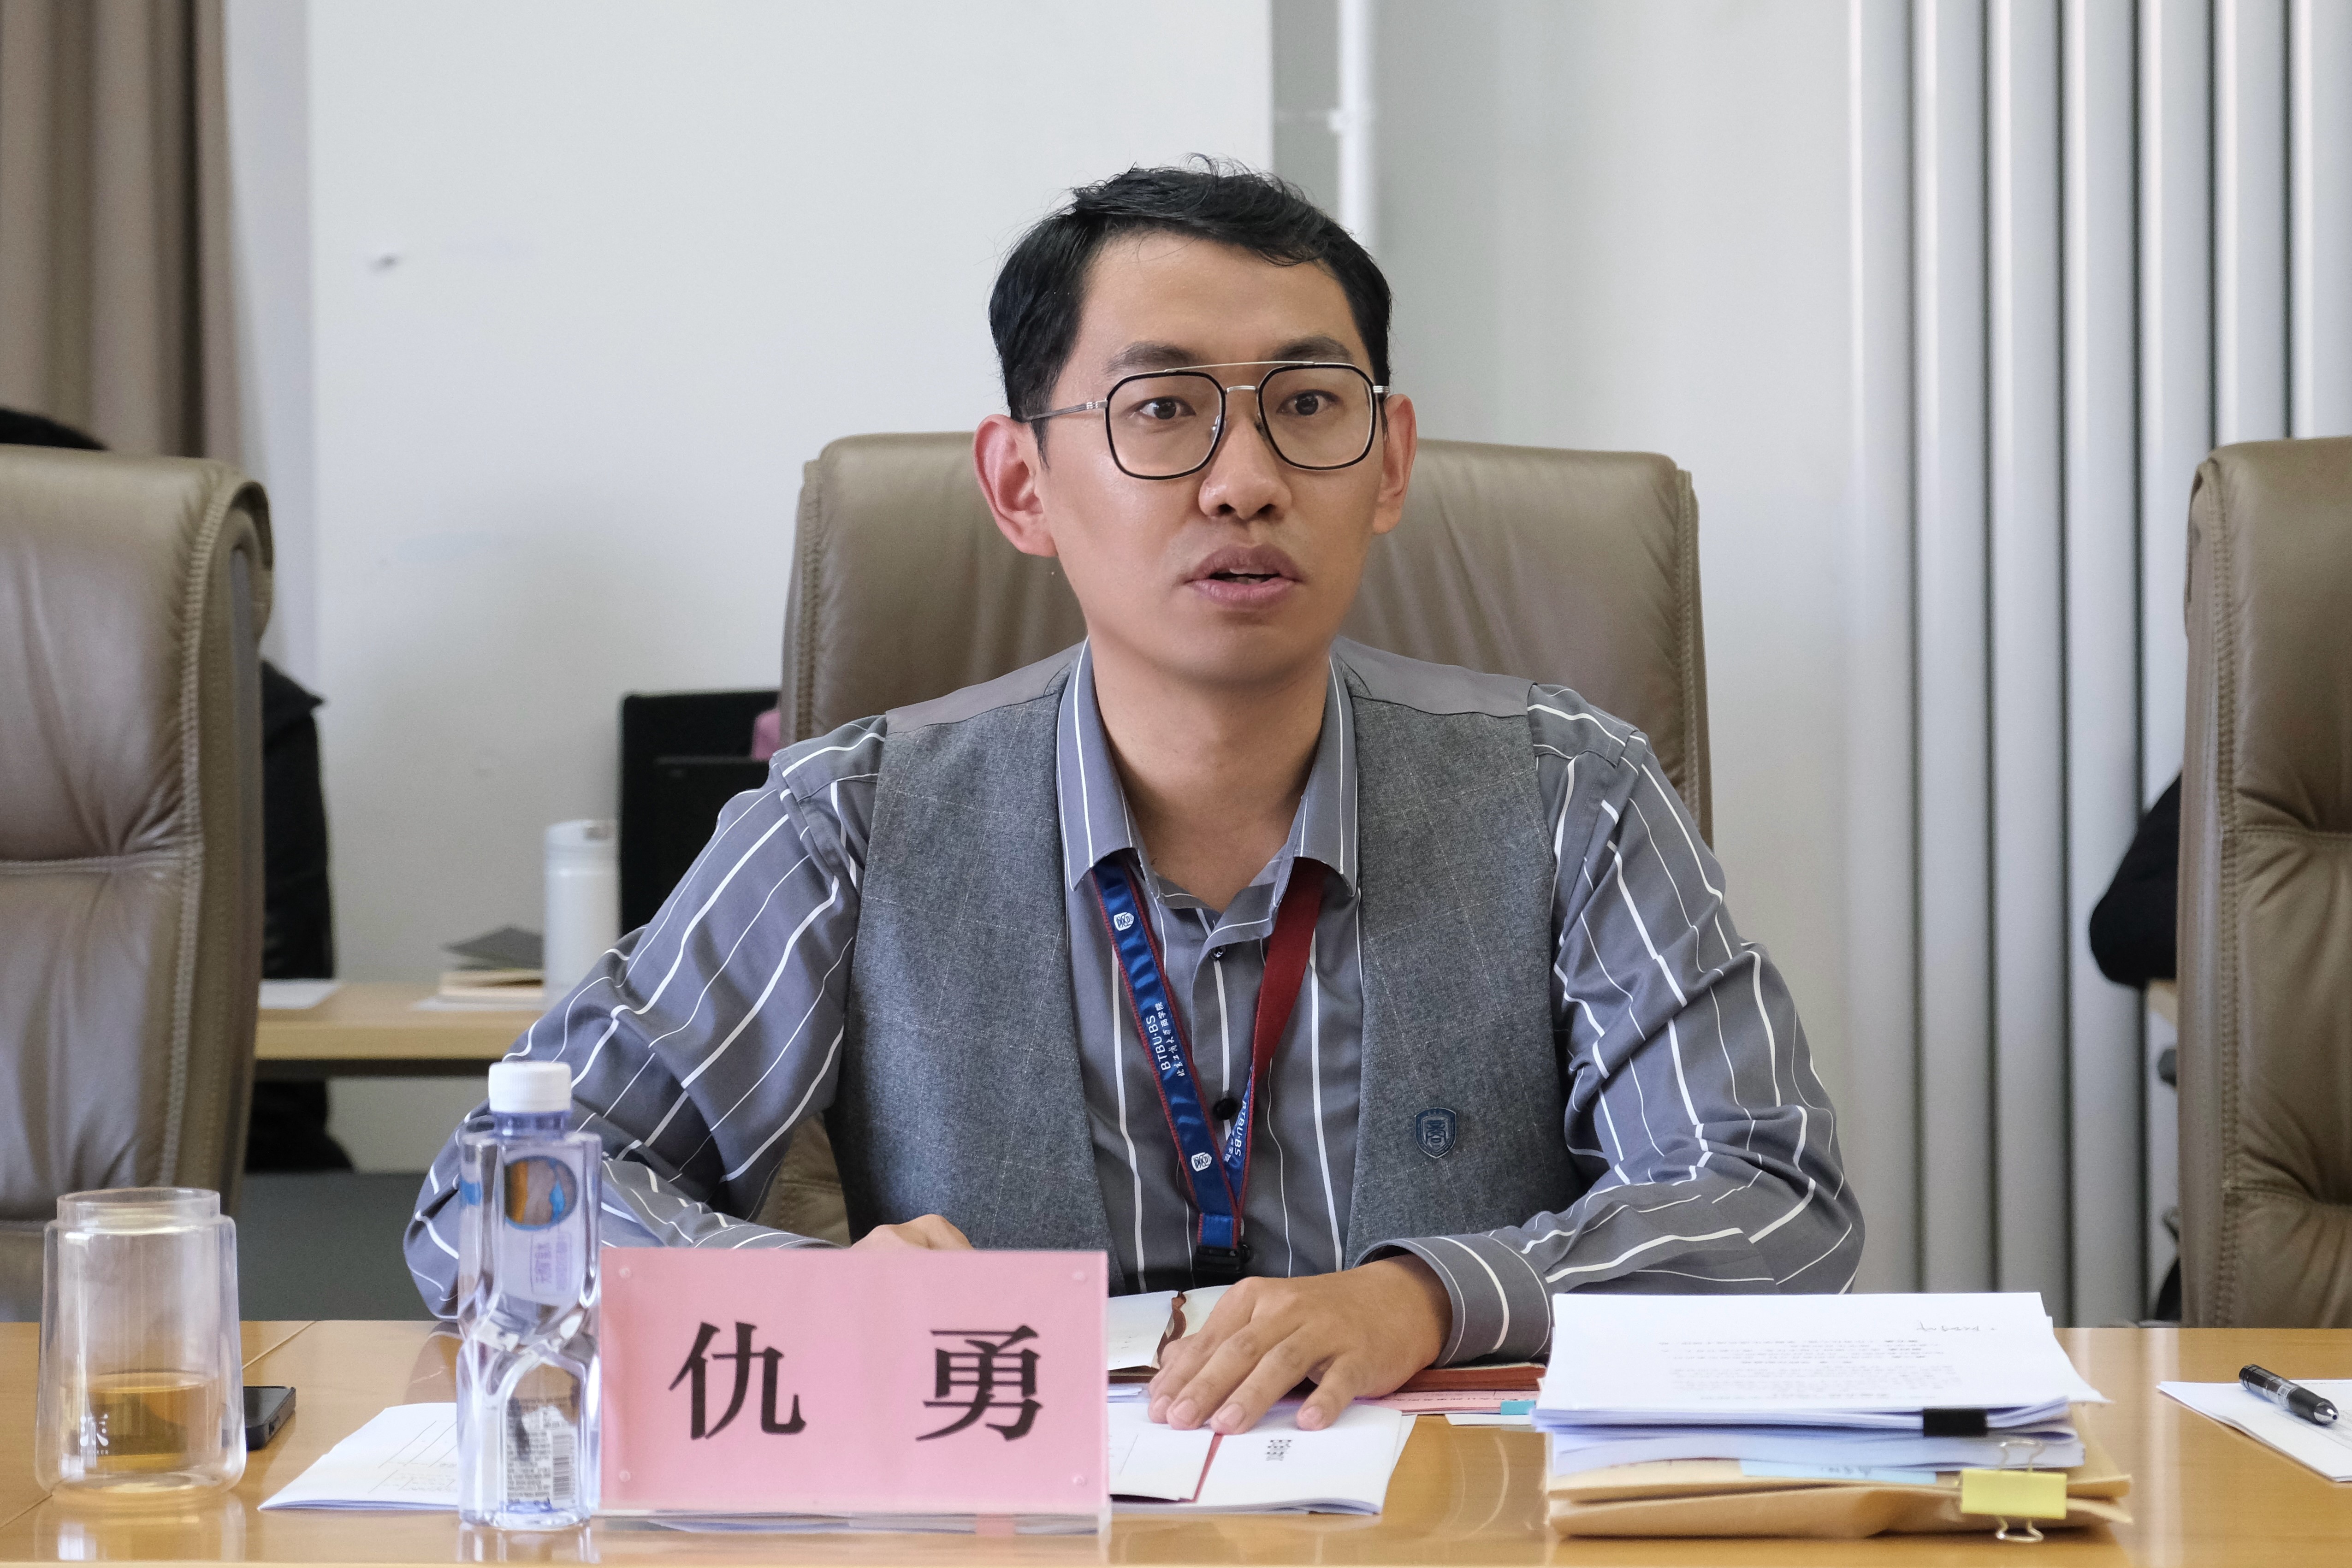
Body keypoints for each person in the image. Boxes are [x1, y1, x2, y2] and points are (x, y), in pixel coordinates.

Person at [405, 163, 1860, 1435]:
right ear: (1020, 484)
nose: (1246, 481)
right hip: (1009, 1519)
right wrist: (808, 1297)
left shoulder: (1569, 792)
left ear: (1391, 463)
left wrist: (1430, 1296)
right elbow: (493, 1194)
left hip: (1448, 1522)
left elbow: (1771, 1196)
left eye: (1309, 406)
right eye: (1162, 410)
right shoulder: (850, 818)